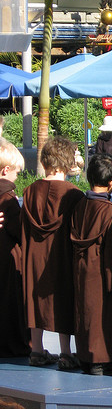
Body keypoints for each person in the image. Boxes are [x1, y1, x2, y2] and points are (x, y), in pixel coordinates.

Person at [21, 136, 83, 370]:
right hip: (62, 256)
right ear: (67, 163)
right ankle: (66, 353)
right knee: (64, 299)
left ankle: (36, 349)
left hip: (34, 258)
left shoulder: (29, 192)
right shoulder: (73, 194)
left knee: (35, 299)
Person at [71, 153, 112, 376]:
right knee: (105, 316)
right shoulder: (109, 212)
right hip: (103, 274)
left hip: (81, 270)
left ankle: (86, 357)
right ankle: (103, 360)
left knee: (85, 313)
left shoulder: (79, 206)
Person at [0, 138, 30, 357]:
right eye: (16, 173)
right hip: (9, 258)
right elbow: (17, 228)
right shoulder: (8, 197)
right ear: (6, 170)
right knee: (11, 303)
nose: (16, 177)